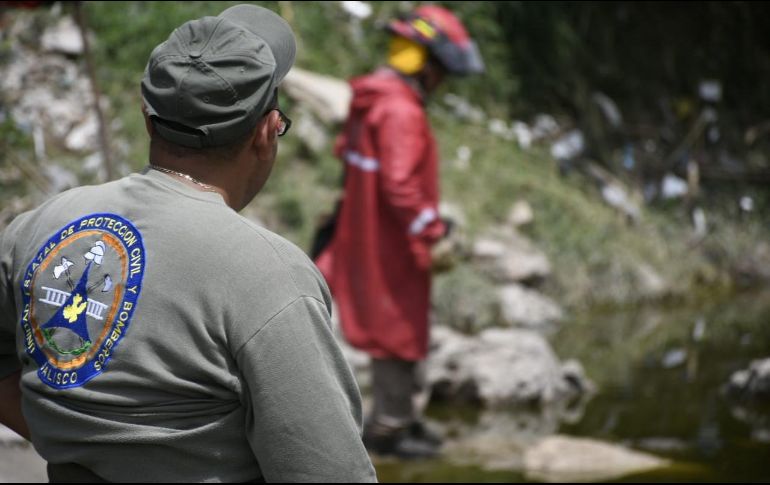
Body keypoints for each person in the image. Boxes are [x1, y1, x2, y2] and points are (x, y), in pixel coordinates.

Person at [0, 4, 377, 482]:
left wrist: (80, 442)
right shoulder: (270, 274)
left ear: (147, 117)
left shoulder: (38, 224)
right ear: (266, 131)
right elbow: (329, 472)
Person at [314, 5, 484, 459]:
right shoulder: (401, 111)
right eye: (442, 73)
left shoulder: (371, 97)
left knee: (382, 324)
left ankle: (401, 418)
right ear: (426, 66)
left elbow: (345, 153)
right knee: (398, 329)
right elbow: (400, 184)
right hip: (391, 243)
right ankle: (389, 431)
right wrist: (434, 229)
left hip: (363, 230)